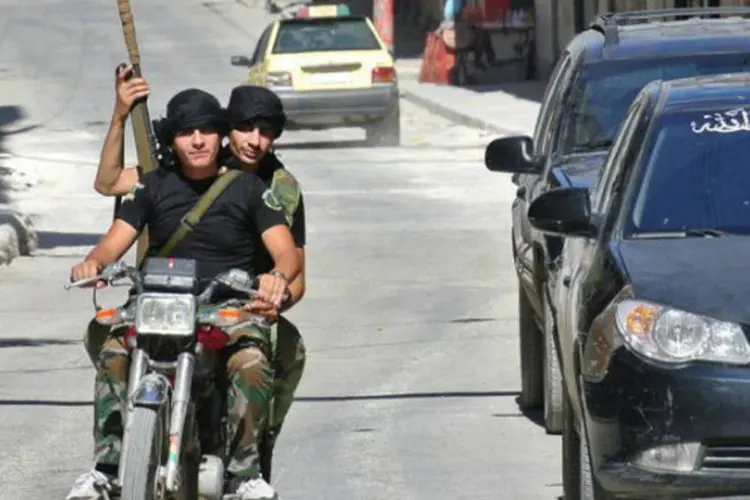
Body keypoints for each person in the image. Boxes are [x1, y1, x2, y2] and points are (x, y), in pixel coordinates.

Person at [67, 87, 300, 500]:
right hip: (159, 301)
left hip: (225, 305)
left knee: (250, 362)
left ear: (220, 135)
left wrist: (277, 277)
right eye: (186, 132)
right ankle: (105, 466)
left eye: (207, 131)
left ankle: (244, 474)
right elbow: (112, 242)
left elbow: (285, 251)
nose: (197, 141)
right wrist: (94, 265)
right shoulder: (150, 186)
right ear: (171, 139)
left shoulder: (249, 189)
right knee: (115, 352)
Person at [222, 84, 307, 461]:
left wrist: (277, 299)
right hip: (183, 296)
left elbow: (297, 274)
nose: (255, 141)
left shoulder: (282, 188)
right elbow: (110, 182)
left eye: (266, 132)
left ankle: (255, 454)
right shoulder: (197, 161)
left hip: (248, 305)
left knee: (288, 351)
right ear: (227, 127)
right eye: (245, 128)